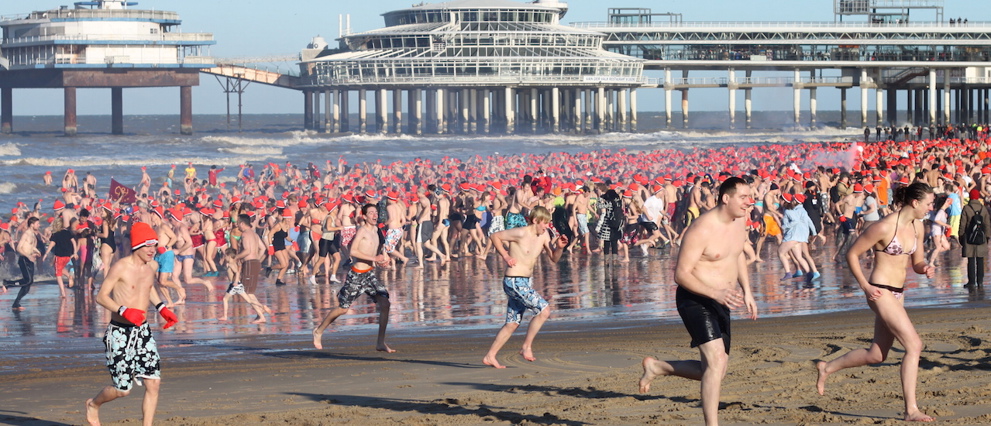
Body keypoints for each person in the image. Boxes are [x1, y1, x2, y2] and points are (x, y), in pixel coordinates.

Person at [638, 177, 758, 426]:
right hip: (695, 298)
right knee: (718, 361)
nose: (750, 202)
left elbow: (735, 256)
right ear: (726, 198)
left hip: (722, 300)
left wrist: (747, 291)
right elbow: (681, 275)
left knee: (715, 371)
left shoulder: (740, 221)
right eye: (744, 197)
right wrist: (714, 293)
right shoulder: (701, 228)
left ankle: (659, 368)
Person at [815, 182, 936, 422]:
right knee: (914, 345)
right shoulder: (883, 227)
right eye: (929, 203)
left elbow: (917, 262)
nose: (931, 208)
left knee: (877, 354)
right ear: (915, 202)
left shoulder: (918, 226)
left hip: (898, 293)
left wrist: (926, 269)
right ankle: (911, 410)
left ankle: (826, 367)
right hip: (880, 291)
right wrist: (865, 286)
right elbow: (852, 254)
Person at [85, 222, 178, 426]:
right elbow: (101, 296)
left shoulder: (152, 265)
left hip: (142, 331)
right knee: (122, 390)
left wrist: (162, 308)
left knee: (153, 383)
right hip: (120, 333)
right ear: (137, 246)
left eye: (154, 245)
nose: (153, 250)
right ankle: (93, 404)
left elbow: (147, 287)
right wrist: (123, 310)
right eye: (148, 245)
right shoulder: (121, 267)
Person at [482, 206, 568, 368]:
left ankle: (490, 356)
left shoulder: (544, 236)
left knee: (512, 323)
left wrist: (560, 248)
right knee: (544, 310)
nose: (547, 226)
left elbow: (554, 258)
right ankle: (526, 347)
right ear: (535, 221)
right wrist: (506, 256)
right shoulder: (520, 232)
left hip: (525, 282)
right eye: (545, 223)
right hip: (514, 281)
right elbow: (494, 236)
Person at [312, 204, 395, 353]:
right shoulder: (362, 231)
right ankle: (318, 331)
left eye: (376, 212)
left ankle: (380, 342)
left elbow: (380, 248)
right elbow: (353, 251)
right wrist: (374, 258)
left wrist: (384, 258)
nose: (374, 215)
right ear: (364, 216)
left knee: (385, 303)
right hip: (356, 275)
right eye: (371, 213)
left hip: (369, 275)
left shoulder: (377, 230)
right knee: (343, 309)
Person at [4, 217, 42, 311]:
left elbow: (30, 246)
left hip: (30, 259)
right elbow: (19, 248)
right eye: (37, 224)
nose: (39, 225)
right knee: (28, 280)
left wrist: (37, 251)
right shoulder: (26, 234)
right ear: (32, 224)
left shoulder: (33, 234)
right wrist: (28, 256)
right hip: (24, 259)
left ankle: (16, 304)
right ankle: (7, 283)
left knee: (28, 284)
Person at [960, 188, 990, 288]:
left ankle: (971, 282)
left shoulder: (966, 208)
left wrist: (961, 236)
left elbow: (962, 224)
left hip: (969, 237)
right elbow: (987, 224)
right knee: (980, 260)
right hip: (981, 237)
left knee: (971, 260)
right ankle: (980, 281)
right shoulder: (983, 208)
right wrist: (987, 237)